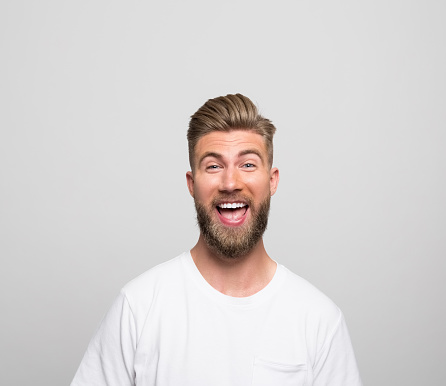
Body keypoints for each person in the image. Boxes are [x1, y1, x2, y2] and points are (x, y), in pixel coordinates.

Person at [71, 94, 362, 385]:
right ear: (192, 184)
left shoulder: (319, 321)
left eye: (248, 164)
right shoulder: (138, 308)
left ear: (272, 180)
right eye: (213, 166)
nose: (230, 183)